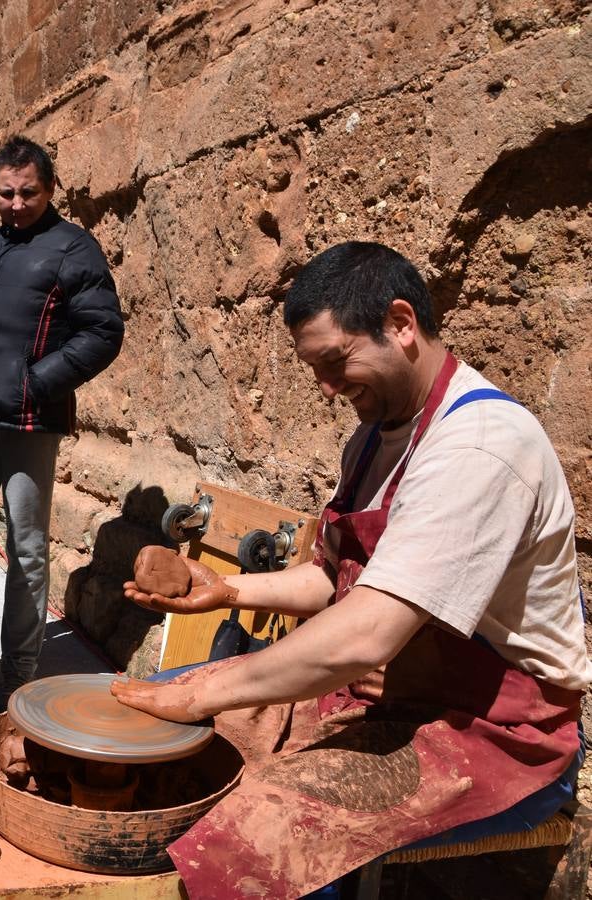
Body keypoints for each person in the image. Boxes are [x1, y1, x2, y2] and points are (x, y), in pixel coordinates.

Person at [112, 241, 592, 898]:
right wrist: (226, 589)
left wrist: (206, 690)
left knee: (270, 828)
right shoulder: (372, 438)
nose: (329, 388)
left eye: (336, 363)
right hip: (375, 696)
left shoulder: (480, 446)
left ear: (400, 323)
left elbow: (366, 633)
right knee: (164, 727)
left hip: (499, 737)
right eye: (316, 370)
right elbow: (334, 580)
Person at [0, 135, 123, 703]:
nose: (16, 204)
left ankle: (19, 671)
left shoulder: (74, 248)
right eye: (6, 194)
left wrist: (36, 383)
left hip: (28, 424)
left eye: (28, 194)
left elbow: (103, 332)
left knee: (26, 549)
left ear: (49, 189)